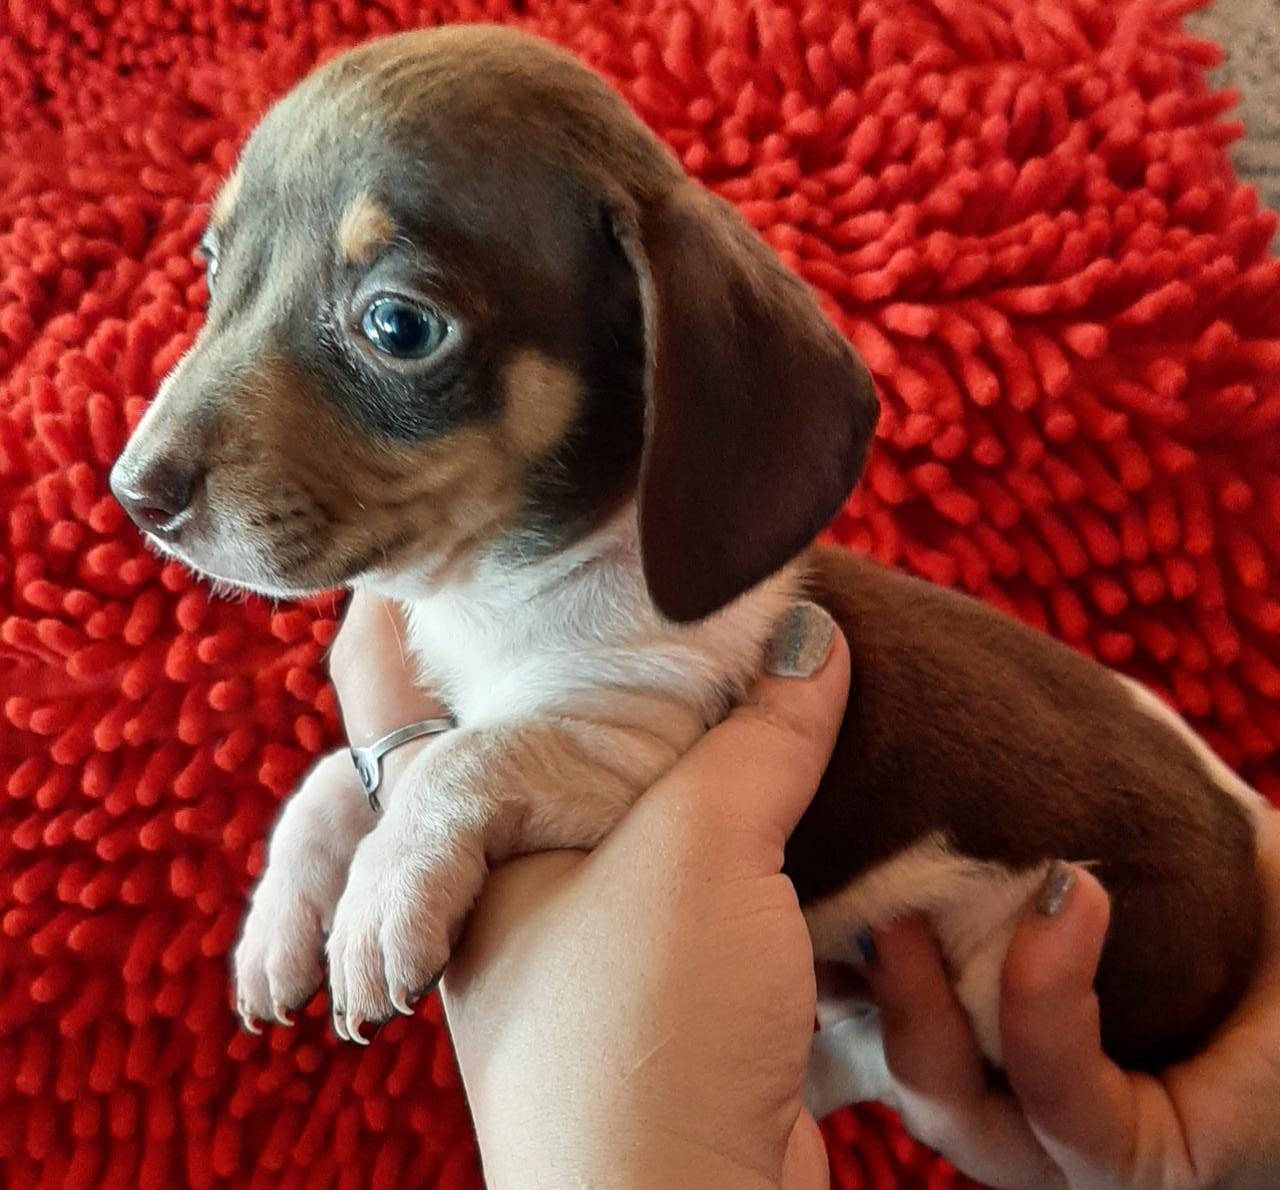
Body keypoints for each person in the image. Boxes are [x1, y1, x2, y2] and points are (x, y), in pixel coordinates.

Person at [331, 591, 1280, 1190]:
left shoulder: (659, 605)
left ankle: (863, 1056)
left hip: (1154, 916)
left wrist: (630, 1168)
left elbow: (596, 771)